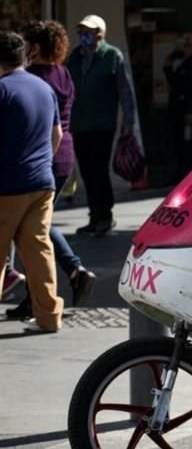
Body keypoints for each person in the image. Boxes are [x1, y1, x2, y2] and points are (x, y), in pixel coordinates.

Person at [5, 21, 97, 319]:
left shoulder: (18, 82)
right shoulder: (60, 76)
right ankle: (46, 307)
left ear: (33, 47)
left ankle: (71, 269)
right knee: (36, 237)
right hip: (53, 163)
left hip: (23, 168)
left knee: (29, 234)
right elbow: (57, 128)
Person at [0, 31, 65, 333]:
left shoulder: (2, 90)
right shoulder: (43, 88)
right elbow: (57, 135)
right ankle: (49, 316)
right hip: (42, 182)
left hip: (7, 185)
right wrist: (41, 163)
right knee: (38, 249)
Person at [65, 15, 136, 237]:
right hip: (79, 123)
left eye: (89, 31)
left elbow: (125, 91)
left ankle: (105, 215)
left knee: (98, 168)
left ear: (100, 34)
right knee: (86, 170)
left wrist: (128, 122)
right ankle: (94, 216)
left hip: (103, 123)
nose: (84, 36)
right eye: (82, 31)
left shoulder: (112, 56)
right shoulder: (75, 57)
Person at [164, 37, 192, 181]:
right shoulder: (180, 65)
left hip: (189, 111)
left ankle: (191, 173)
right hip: (177, 110)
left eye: (181, 47)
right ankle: (178, 172)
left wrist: (191, 111)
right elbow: (175, 84)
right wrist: (168, 68)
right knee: (178, 143)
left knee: (191, 143)